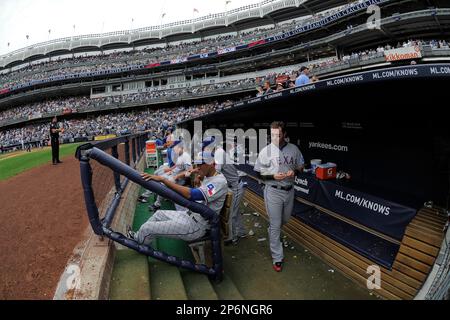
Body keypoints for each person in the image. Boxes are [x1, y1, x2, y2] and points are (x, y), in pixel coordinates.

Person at [128, 149, 228, 246]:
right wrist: (199, 176)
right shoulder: (209, 175)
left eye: (201, 164)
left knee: (148, 228)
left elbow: (192, 195)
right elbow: (201, 178)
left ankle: (137, 242)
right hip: (189, 215)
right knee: (158, 214)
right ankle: (142, 241)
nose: (198, 167)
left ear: (211, 163)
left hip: (197, 226)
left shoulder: (219, 182)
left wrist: (164, 180)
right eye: (197, 164)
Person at [254, 121, 304, 272]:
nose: (275, 137)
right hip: (273, 190)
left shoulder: (293, 149)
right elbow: (257, 172)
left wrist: (294, 172)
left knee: (285, 220)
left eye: (278, 134)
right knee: (276, 225)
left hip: (289, 190)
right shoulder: (266, 151)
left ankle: (273, 231)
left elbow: (301, 166)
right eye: (273, 134)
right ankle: (277, 257)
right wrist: (272, 176)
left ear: (285, 134)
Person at [207, 138, 247, 245]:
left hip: (236, 186)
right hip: (232, 185)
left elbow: (217, 171)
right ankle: (242, 231)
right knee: (236, 211)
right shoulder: (217, 152)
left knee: (232, 214)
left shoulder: (219, 152)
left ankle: (232, 238)